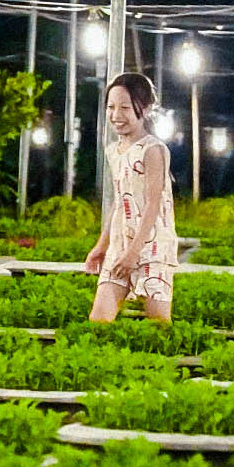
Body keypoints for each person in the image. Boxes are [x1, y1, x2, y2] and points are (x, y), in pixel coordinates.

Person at [82, 72, 177, 322]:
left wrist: (135, 252)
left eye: (125, 107)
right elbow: (120, 201)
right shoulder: (114, 150)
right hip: (120, 245)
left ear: (144, 108)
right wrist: (102, 246)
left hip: (153, 247)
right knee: (99, 320)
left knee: (159, 327)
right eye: (111, 107)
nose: (116, 115)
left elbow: (153, 205)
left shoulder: (153, 149)